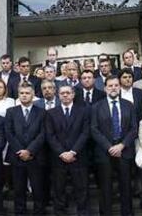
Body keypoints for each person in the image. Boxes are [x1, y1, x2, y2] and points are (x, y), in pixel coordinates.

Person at [91, 76, 137, 216]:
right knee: (105, 188)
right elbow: (94, 129)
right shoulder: (96, 107)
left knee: (126, 187)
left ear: (120, 87)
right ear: (105, 88)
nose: (113, 88)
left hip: (125, 151)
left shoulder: (128, 105)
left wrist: (122, 145)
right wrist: (109, 147)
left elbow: (134, 128)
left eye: (116, 85)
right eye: (110, 86)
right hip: (105, 153)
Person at [45, 85, 90, 216]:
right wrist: (62, 152)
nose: (65, 95)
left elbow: (85, 133)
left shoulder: (83, 111)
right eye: (62, 93)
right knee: (58, 189)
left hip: (78, 156)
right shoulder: (51, 113)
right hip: (58, 158)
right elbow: (50, 135)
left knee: (82, 189)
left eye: (68, 93)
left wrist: (73, 152)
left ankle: (83, 213)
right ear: (58, 95)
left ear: (73, 95)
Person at [5, 82, 46, 215]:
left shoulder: (41, 112)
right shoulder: (11, 111)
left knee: (38, 188)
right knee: (18, 188)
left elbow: (43, 133)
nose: (24, 95)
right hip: (17, 156)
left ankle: (39, 212)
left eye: (27, 93)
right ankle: (20, 212)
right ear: (18, 95)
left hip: (35, 156)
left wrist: (30, 151)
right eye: (21, 93)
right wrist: (21, 151)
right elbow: (9, 133)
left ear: (33, 94)